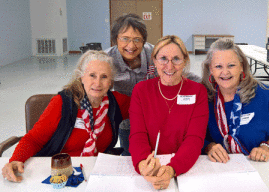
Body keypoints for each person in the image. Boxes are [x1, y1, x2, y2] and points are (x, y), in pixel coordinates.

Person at [2, 50, 130, 182]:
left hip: (97, 172)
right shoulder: (62, 103)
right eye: (92, 75)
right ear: (81, 77)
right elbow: (34, 139)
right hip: (61, 171)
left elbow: (146, 109)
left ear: (110, 81)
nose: (98, 83)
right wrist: (16, 160)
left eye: (104, 77)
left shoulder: (117, 103)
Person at [105, 13, 201, 156]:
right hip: (126, 117)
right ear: (115, 40)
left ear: (143, 41)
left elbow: (180, 74)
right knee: (130, 154)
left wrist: (212, 84)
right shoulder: (107, 59)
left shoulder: (154, 54)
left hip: (153, 115)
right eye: (125, 39)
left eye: (137, 39)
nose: (131, 46)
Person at [129, 35, 209, 190]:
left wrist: (172, 169)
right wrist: (143, 164)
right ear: (154, 60)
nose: (169, 66)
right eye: (163, 58)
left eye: (176, 59)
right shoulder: (140, 90)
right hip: (151, 165)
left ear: (185, 60)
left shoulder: (198, 91)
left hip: (185, 170)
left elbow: (195, 138)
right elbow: (138, 135)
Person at [201, 38, 269, 163]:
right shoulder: (204, 98)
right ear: (211, 69)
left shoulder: (264, 93)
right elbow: (197, 137)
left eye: (231, 65)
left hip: (266, 164)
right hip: (226, 167)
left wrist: (267, 147)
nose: (225, 72)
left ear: (241, 66)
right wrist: (209, 147)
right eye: (218, 66)